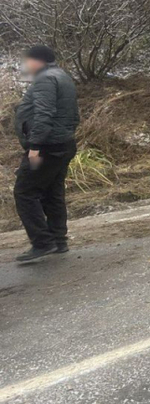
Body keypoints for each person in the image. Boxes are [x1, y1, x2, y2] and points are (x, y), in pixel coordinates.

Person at [13, 45, 79, 262]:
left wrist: (35, 146)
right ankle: (59, 240)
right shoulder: (62, 76)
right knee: (52, 193)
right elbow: (71, 114)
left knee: (24, 192)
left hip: (47, 147)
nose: (26, 64)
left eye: (28, 60)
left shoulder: (45, 79)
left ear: (38, 60)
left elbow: (44, 114)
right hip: (62, 144)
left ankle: (43, 242)